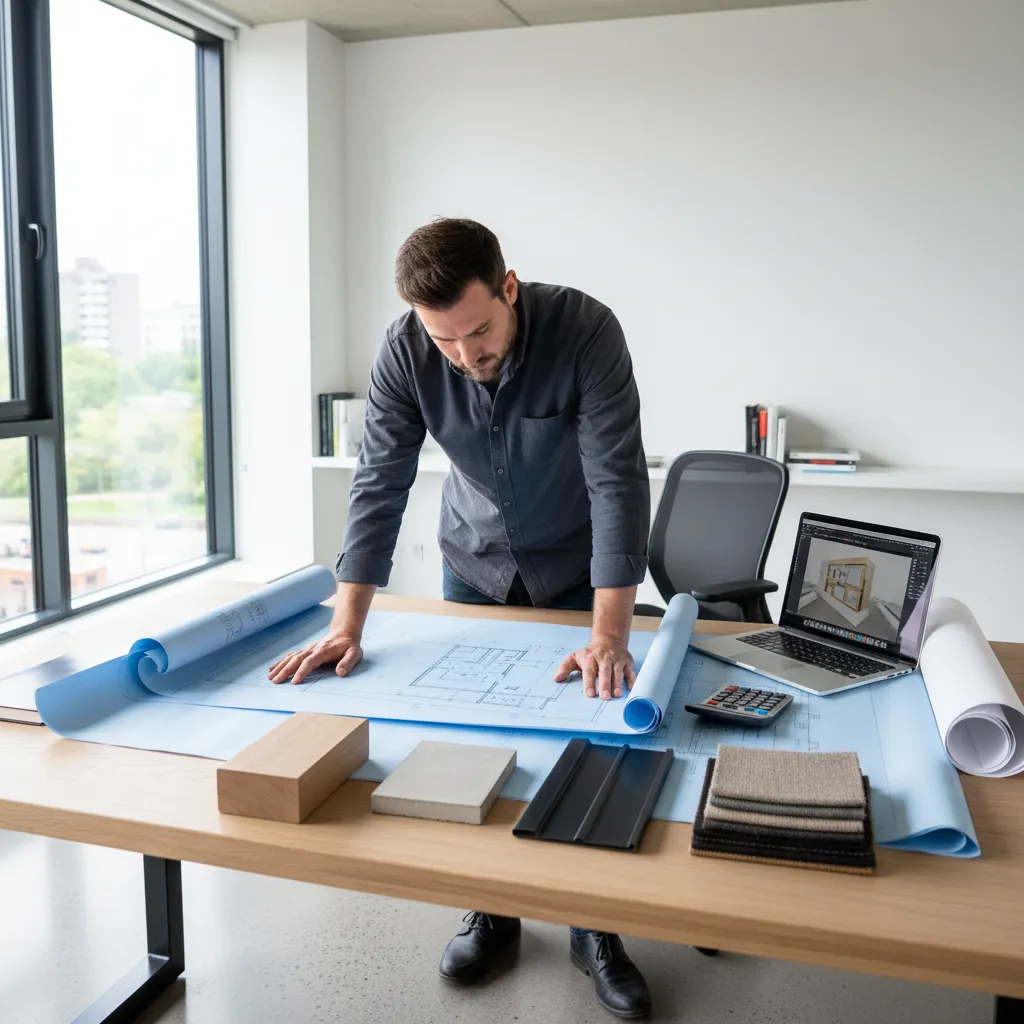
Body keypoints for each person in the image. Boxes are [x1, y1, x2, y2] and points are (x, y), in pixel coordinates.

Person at [268, 218, 653, 1019]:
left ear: (509, 286)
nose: (466, 356)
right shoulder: (406, 349)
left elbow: (618, 484)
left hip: (578, 568)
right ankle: (492, 907)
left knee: (590, 738)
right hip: (474, 561)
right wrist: (348, 624)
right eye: (445, 340)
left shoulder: (586, 332)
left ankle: (596, 924)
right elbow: (379, 482)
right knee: (476, 739)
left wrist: (608, 634)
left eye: (478, 331)